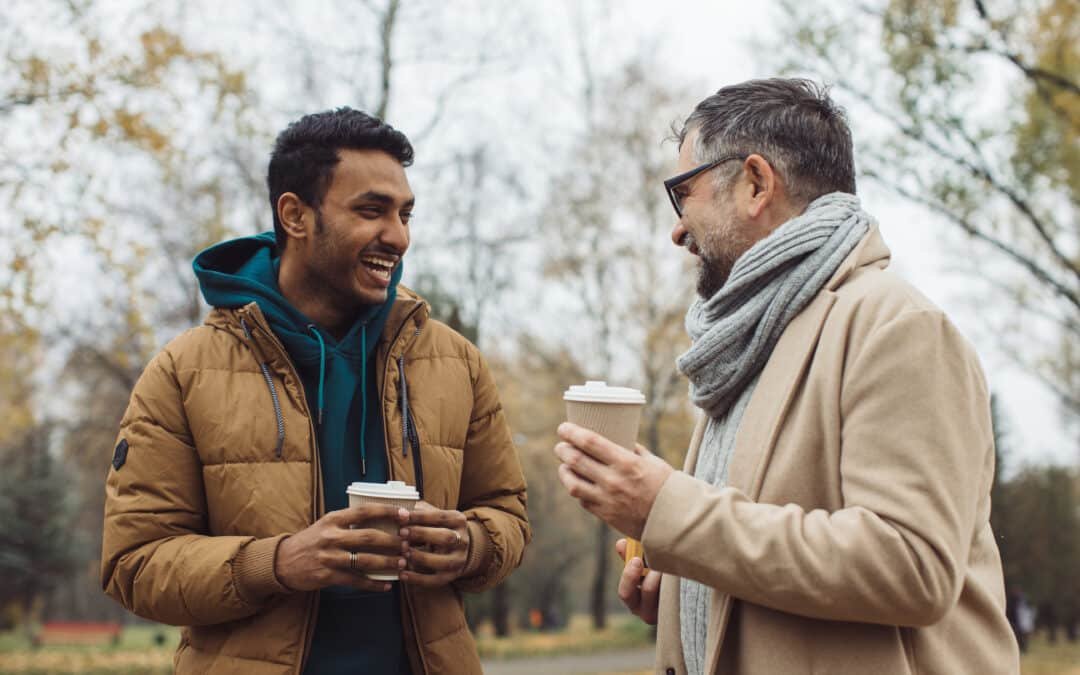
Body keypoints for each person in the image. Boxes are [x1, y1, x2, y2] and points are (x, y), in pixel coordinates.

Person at [552, 78, 1019, 674]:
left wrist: (666, 508)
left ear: (754, 183)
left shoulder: (898, 326)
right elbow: (768, 551)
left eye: (682, 193)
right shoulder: (751, 343)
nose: (676, 229)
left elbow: (911, 566)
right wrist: (682, 588)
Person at [101, 107, 530, 674]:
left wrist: (472, 545)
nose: (397, 237)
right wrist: (277, 563)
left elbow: (508, 515)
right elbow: (134, 564)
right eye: (371, 211)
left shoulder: (455, 362)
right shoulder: (184, 372)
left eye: (405, 214)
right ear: (295, 215)